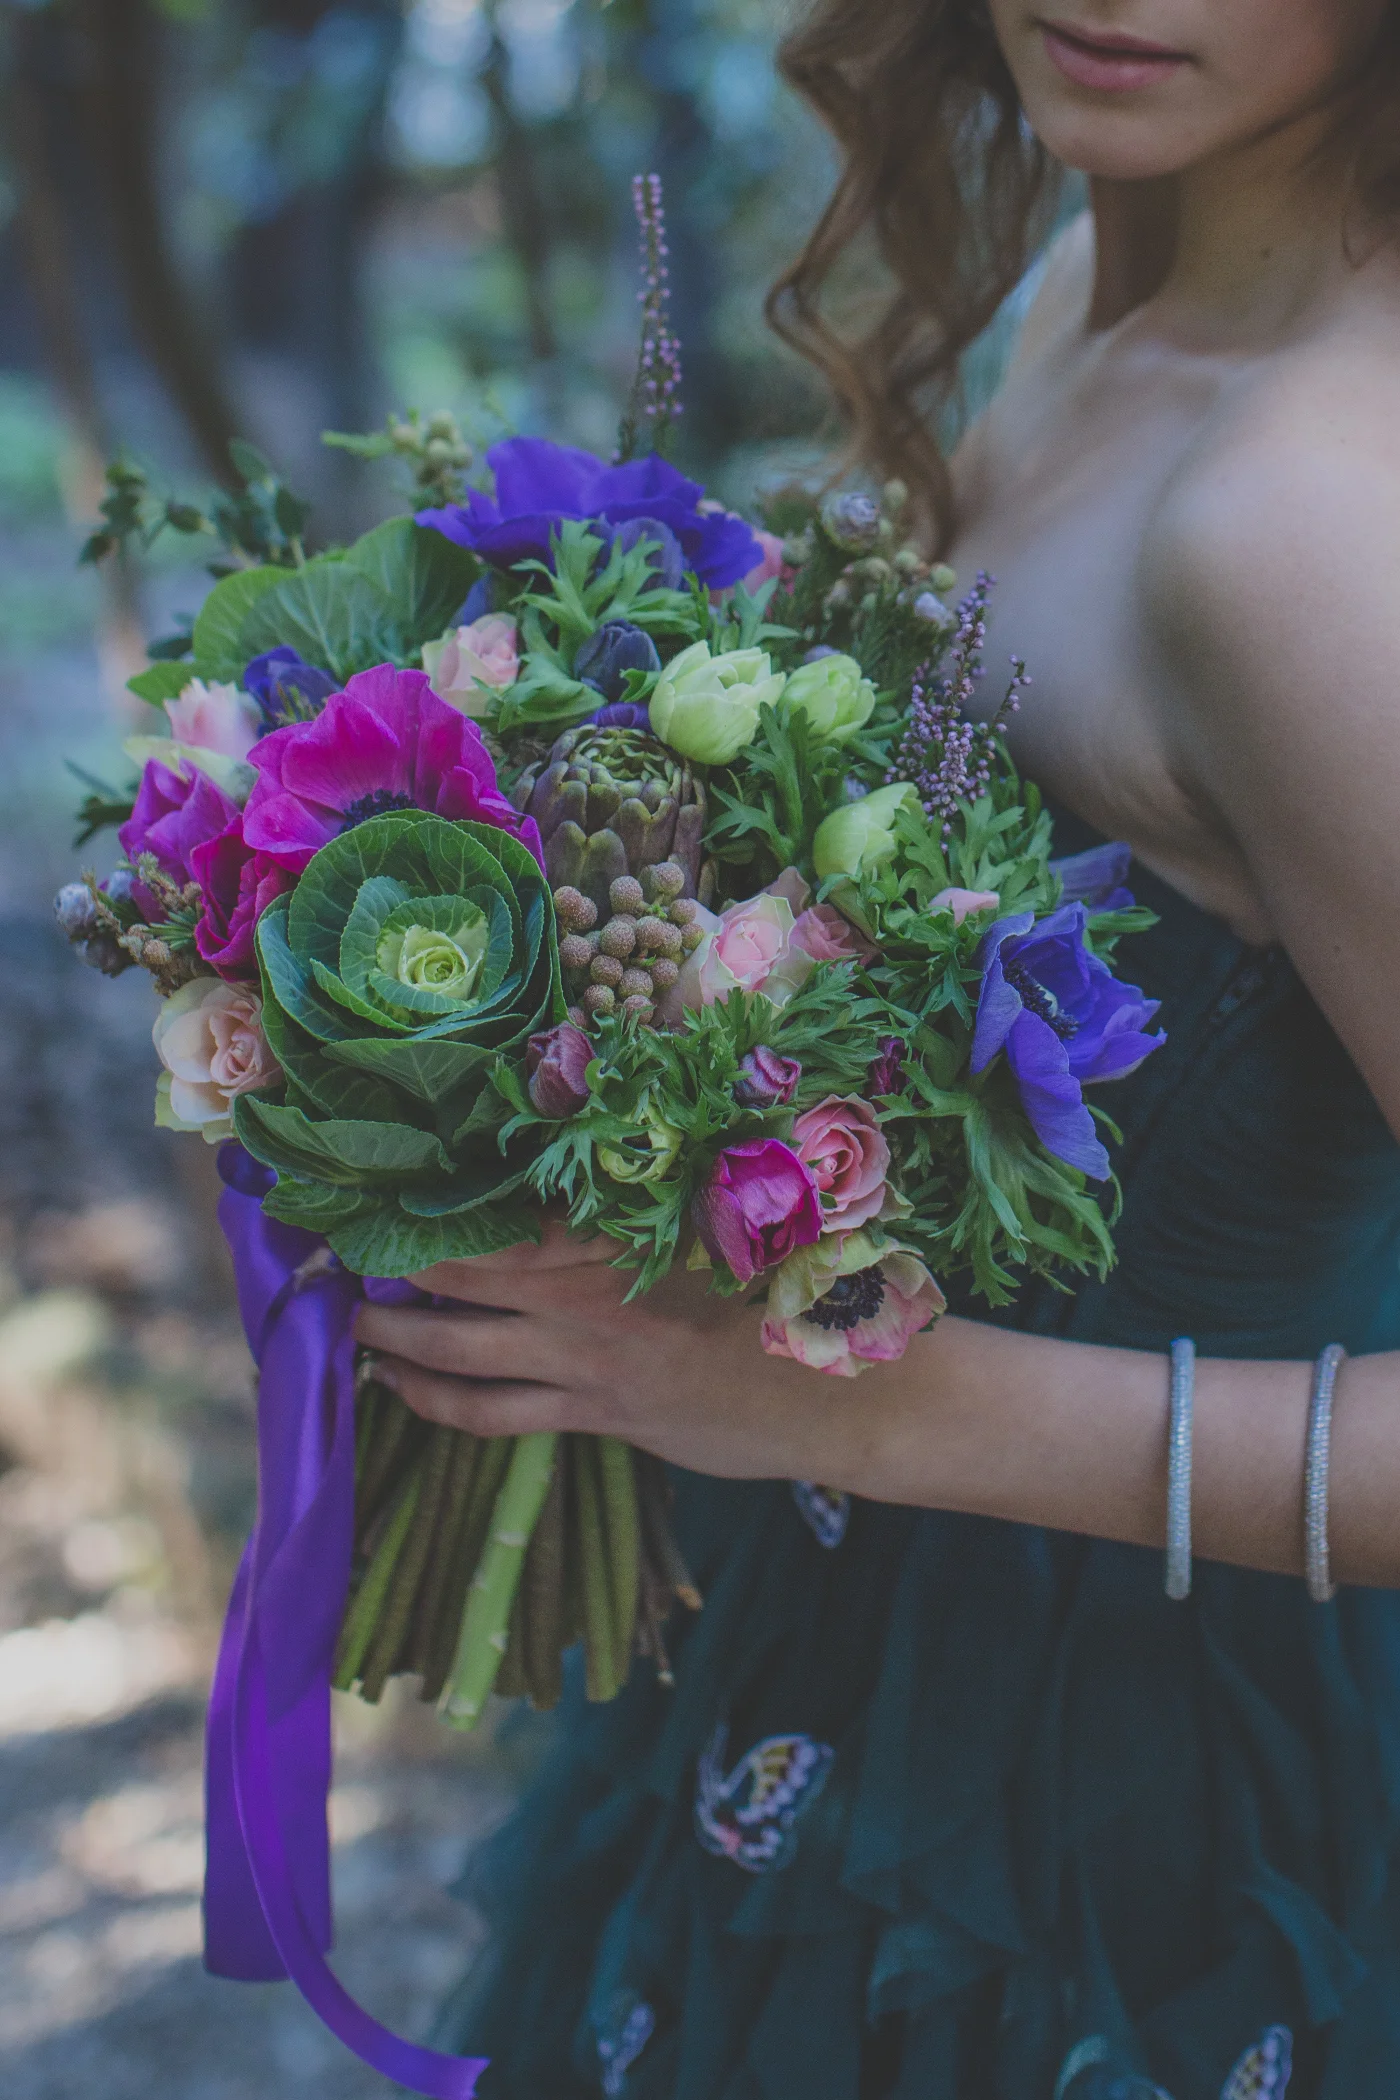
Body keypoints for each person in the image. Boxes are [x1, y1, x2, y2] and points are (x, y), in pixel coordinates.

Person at [355, 4, 1400, 2093]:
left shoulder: (1305, 525)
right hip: (849, 1653)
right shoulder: (1076, 302)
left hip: (1135, 1806)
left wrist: (839, 1410)